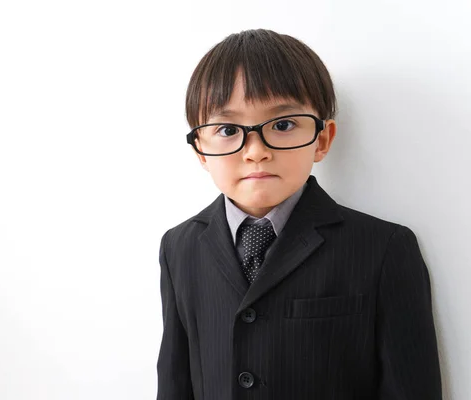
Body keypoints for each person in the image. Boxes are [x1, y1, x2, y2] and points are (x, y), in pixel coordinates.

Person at [156, 29, 442, 400]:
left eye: (283, 125)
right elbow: (175, 383)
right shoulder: (179, 247)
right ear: (200, 150)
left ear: (322, 139)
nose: (255, 151)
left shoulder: (383, 248)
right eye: (228, 129)